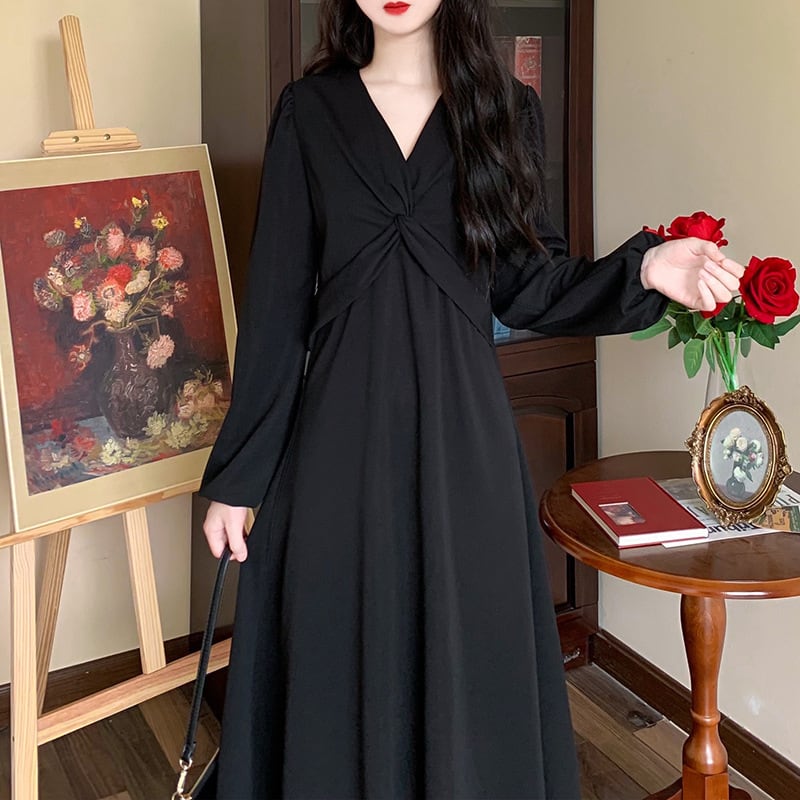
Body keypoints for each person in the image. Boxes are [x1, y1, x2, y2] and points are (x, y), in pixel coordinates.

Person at [198, 0, 744, 795]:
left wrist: (645, 269)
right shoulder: (309, 112)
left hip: (465, 439)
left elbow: (529, 284)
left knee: (467, 649)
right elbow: (277, 307)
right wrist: (239, 478)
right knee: (337, 646)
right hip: (337, 440)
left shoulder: (505, 109)